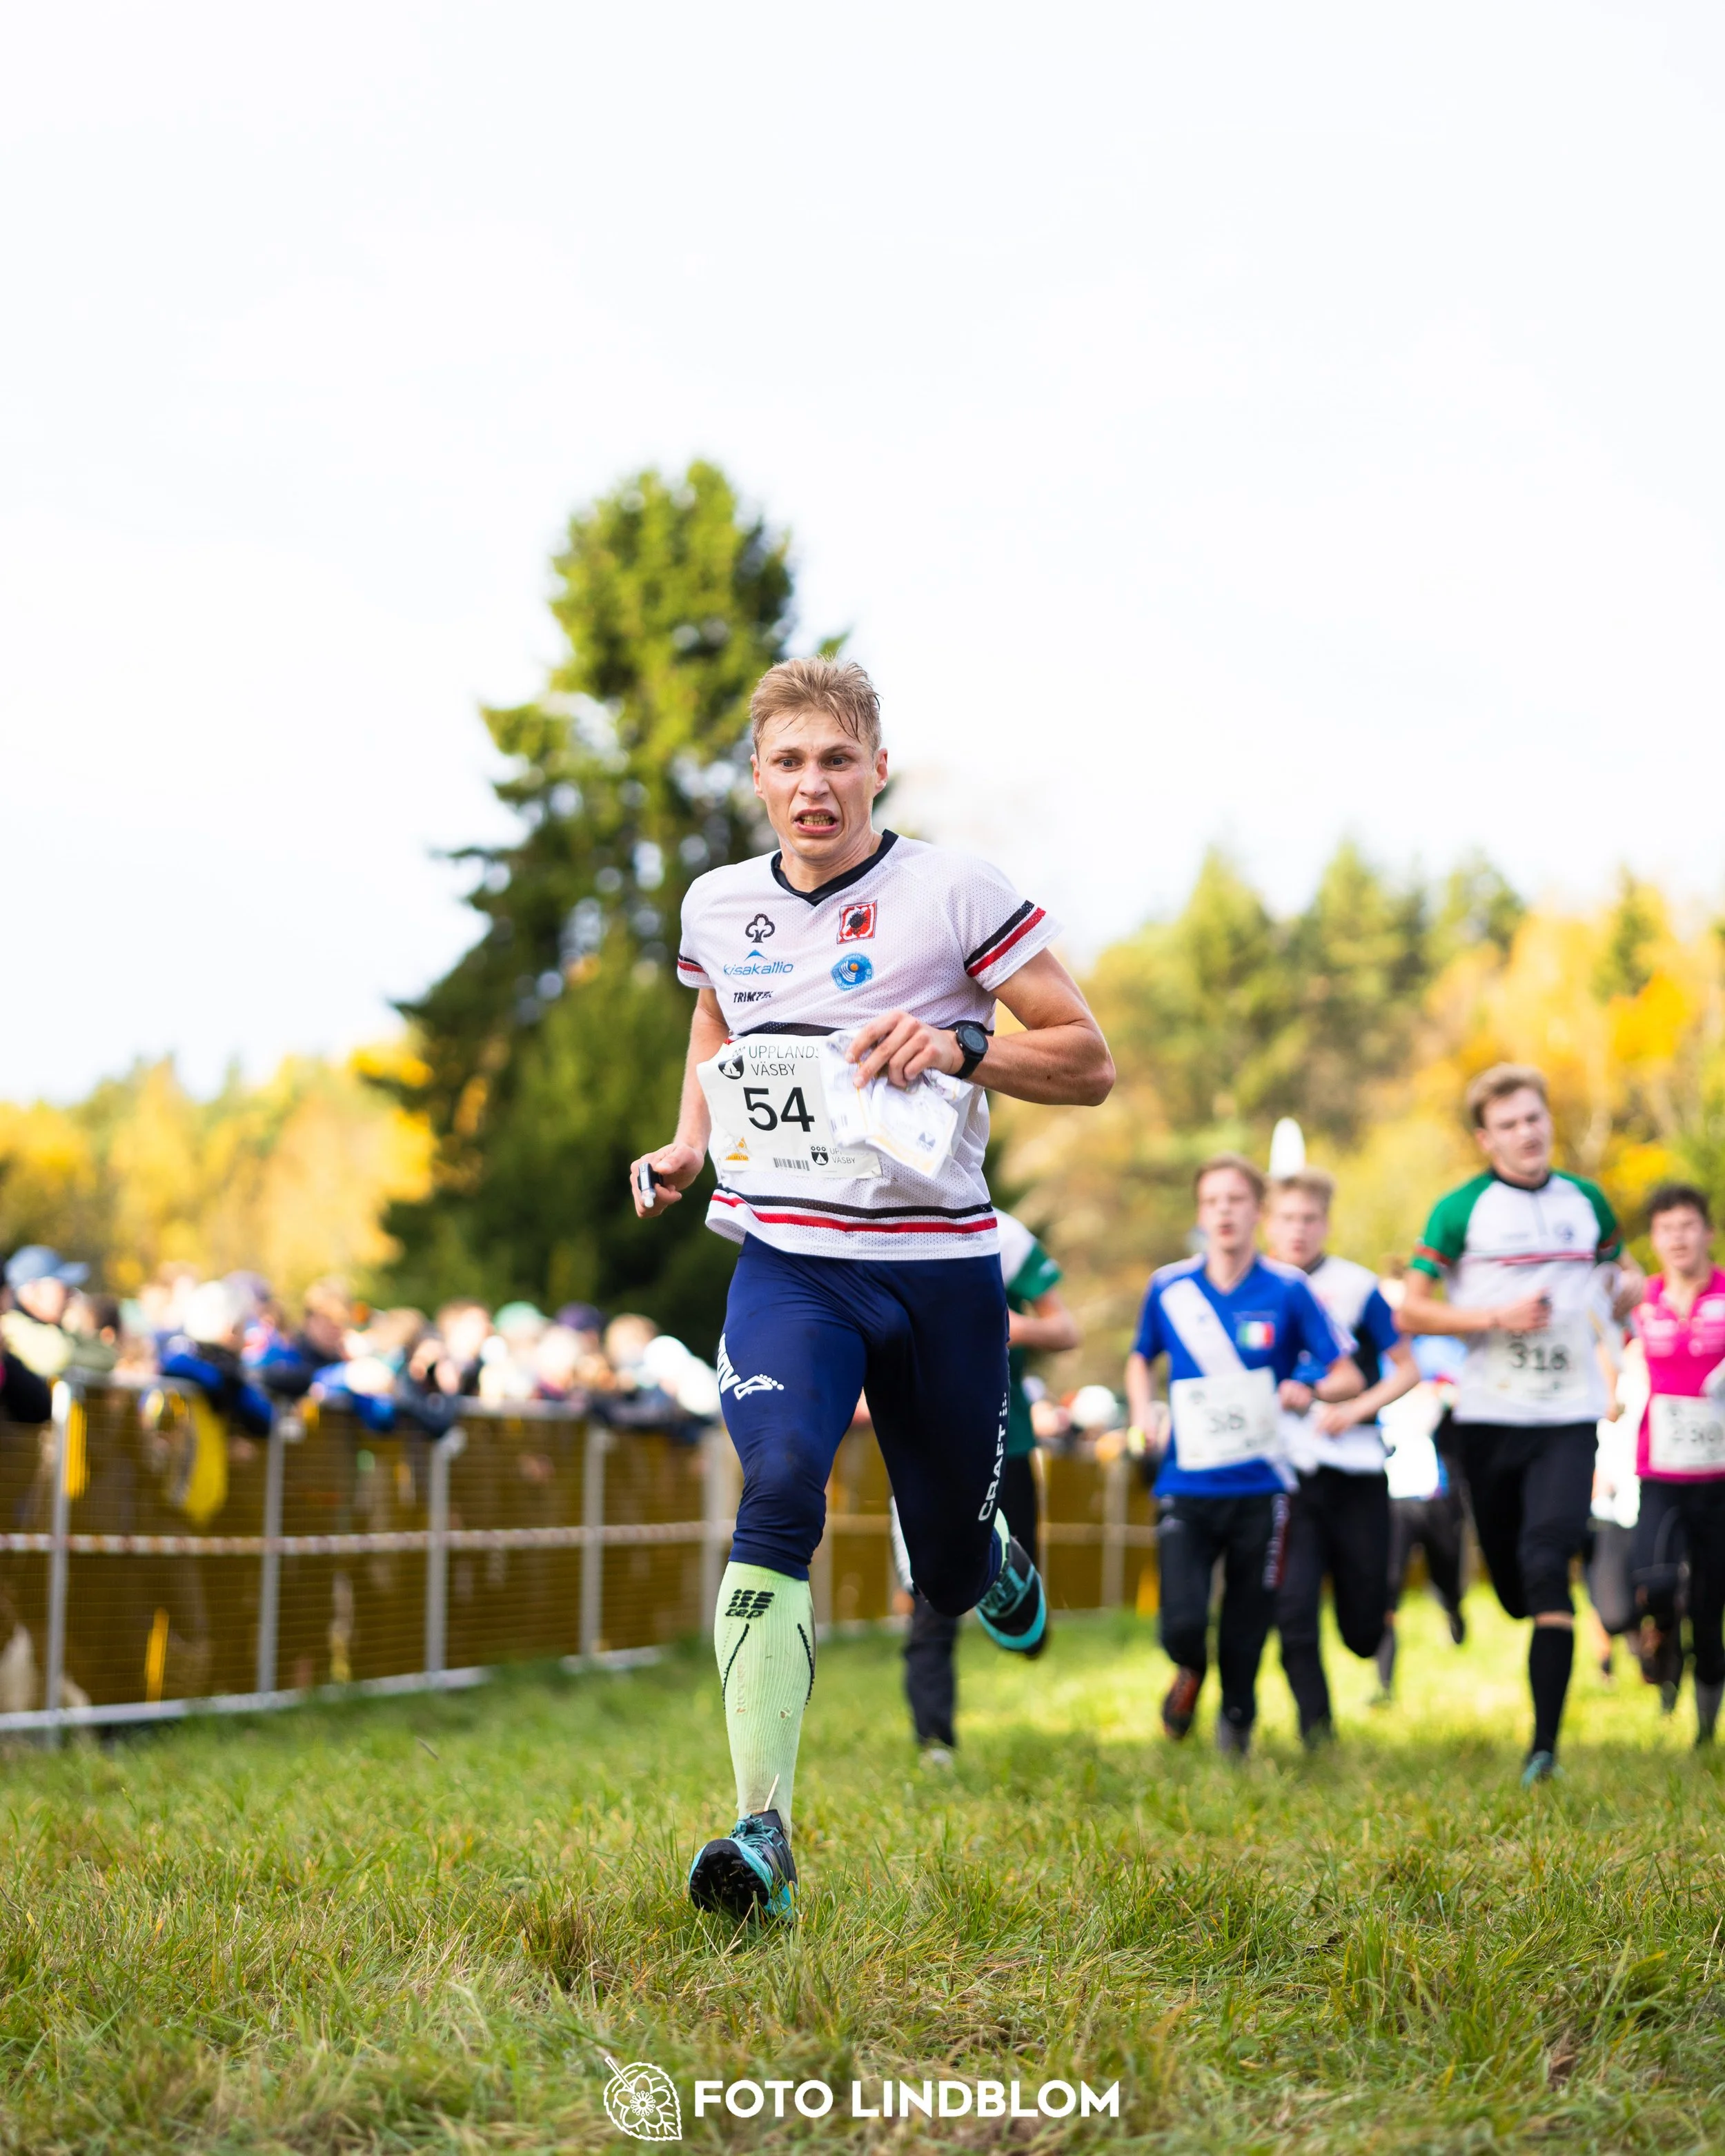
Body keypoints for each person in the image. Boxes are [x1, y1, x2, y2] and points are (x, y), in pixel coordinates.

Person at [631, 655, 1113, 1919]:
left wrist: (963, 1045)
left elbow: (1088, 1060)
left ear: (877, 769)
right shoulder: (716, 905)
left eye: (837, 761)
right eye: (788, 763)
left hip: (942, 1274)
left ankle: (987, 1561)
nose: (813, 787)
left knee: (946, 1571)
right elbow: (714, 1030)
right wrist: (689, 1143)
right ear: (756, 781)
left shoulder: (954, 890)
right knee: (781, 1482)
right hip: (790, 1261)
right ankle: (761, 1832)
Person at [1399, 1063, 1640, 1784]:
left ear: (1547, 1121)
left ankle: (1544, 1748)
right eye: (1507, 1124)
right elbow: (1410, 1309)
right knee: (1511, 1580)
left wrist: (1627, 1285)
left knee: (1546, 1567)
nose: (1525, 1132)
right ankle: (1525, 1580)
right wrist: (1490, 1315)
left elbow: (1623, 1277)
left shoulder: (1586, 1200)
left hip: (1567, 1414)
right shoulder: (1460, 1209)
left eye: (1533, 1117)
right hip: (1489, 1414)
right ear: (1485, 1137)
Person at [1124, 1154, 1361, 1757]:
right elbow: (1139, 1357)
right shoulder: (1170, 1286)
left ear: (1258, 1210)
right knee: (1181, 1619)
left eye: (1236, 1200)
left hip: (1263, 1486)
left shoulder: (1288, 1288)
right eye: (1212, 1202)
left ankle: (1237, 1725)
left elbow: (1348, 1375)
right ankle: (1188, 1668)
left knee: (1247, 1624)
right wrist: (1143, 1410)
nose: (1224, 1212)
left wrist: (1307, 1390)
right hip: (1187, 1481)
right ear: (1201, 1212)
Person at [901, 1207, 1079, 1759]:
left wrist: (1008, 1325)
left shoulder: (1002, 1232)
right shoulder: (878, 1214)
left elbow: (1065, 1328)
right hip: (924, 1446)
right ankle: (935, 1742)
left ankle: (1022, 1628)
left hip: (1009, 1445)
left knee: (1023, 1610)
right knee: (929, 1597)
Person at [1263, 1171, 1420, 1747]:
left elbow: (1408, 1368)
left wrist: (1355, 1408)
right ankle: (1317, 1733)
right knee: (1293, 1606)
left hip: (1356, 1471)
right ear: (1268, 1222)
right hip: (1284, 1476)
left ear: (1326, 1223)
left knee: (1361, 1623)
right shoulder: (1254, 1285)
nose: (1298, 1230)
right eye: (1286, 1218)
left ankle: (1371, 1633)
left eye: (1309, 1219)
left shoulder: (1358, 1287)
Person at [1626, 1182, 1725, 1743]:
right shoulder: (1641, 1302)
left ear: (1707, 1232)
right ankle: (1662, 1631)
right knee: (1658, 1582)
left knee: (1712, 1603)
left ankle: (1706, 1731)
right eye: (1667, 1229)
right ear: (1655, 1239)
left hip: (1719, 1475)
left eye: (1689, 1226)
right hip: (1660, 1469)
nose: (1679, 1238)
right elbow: (1606, 1356)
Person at [1375, 1334, 1470, 1699]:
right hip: (1391, 1495)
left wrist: (1441, 1396)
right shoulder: (1370, 1353)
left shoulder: (1443, 1350)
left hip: (1436, 1494)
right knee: (1388, 1588)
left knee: (1446, 1574)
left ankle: (1454, 1610)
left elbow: (1464, 1392)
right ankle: (1384, 1685)